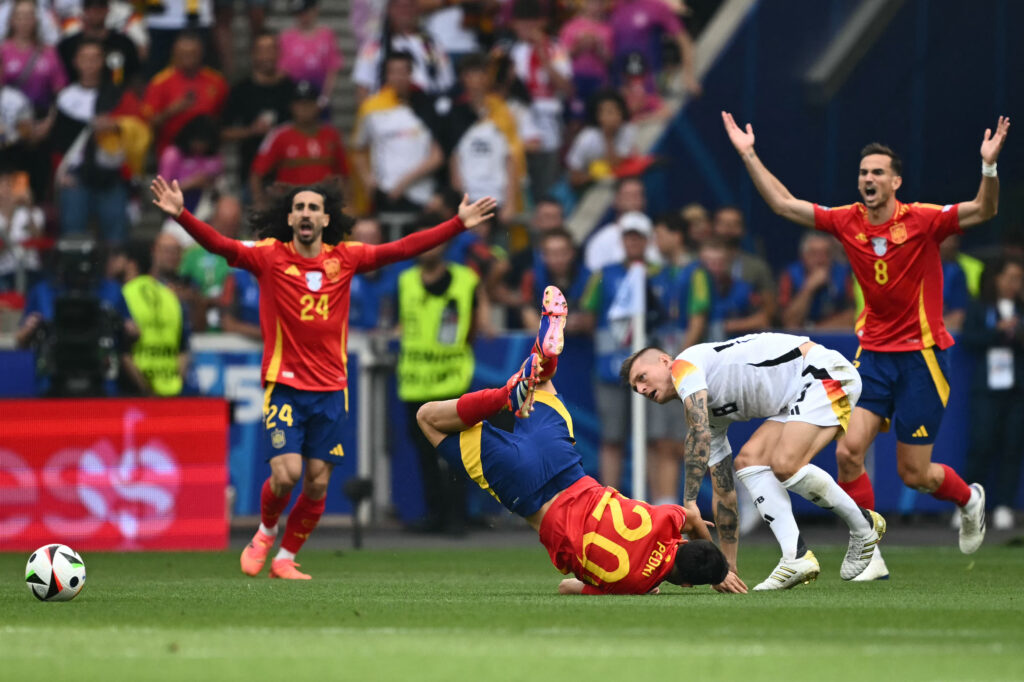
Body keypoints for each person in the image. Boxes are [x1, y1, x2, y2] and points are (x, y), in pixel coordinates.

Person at [150, 175, 496, 579]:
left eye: (314, 207)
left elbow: (402, 248)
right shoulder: (269, 256)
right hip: (285, 384)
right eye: (299, 207)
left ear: (326, 217)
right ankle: (265, 533)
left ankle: (285, 558)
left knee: (316, 485)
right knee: (287, 473)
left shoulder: (345, 258)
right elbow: (221, 245)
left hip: (332, 390)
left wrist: (457, 224)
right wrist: (183, 216)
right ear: (290, 217)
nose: (306, 213)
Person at [721, 110, 1010, 572]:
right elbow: (784, 204)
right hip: (871, 356)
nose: (868, 178)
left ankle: (967, 496)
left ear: (895, 182)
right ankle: (870, 552)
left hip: (922, 359)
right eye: (863, 172)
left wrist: (989, 167)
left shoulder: (923, 221)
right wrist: (748, 153)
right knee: (848, 452)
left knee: (915, 474)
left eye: (878, 172)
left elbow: (984, 209)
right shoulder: (846, 221)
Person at [416, 285, 740, 594]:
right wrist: (649, 585)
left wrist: (721, 566)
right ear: (685, 584)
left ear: (682, 542)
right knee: (428, 419)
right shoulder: (631, 585)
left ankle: (507, 393)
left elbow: (694, 517)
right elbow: (566, 587)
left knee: (539, 379)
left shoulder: (665, 522)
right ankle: (505, 395)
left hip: (563, 462)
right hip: (526, 489)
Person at [622, 333, 887, 589]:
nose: (642, 389)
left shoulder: (684, 365)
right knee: (749, 461)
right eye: (636, 387)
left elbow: (698, 431)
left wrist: (690, 501)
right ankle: (795, 557)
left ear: (665, 361)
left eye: (642, 377)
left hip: (821, 372)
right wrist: (727, 568)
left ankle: (863, 526)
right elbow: (724, 493)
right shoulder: (704, 408)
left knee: (786, 464)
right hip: (795, 397)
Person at [397, 215, 488, 534]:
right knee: (424, 453)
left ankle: (458, 514)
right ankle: (436, 514)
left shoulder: (466, 279)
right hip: (415, 382)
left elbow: (476, 325)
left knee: (455, 451)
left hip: (452, 380)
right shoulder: (405, 281)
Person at [960, 257, 1024, 531]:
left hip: (1016, 389)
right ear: (996, 278)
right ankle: (968, 506)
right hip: (987, 388)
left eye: (1019, 279)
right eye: (1010, 277)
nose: (1015, 284)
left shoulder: (1021, 307)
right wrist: (996, 332)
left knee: (1012, 446)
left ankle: (1004, 506)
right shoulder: (979, 307)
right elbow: (968, 338)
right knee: (981, 445)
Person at [350, 50, 443, 215]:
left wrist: (404, 183)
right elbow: (357, 148)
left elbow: (437, 155)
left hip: (421, 196)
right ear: (386, 75)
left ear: (411, 74)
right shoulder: (371, 107)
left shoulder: (427, 107)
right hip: (385, 194)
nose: (398, 77)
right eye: (393, 72)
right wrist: (368, 180)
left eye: (403, 71)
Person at [249, 80, 348, 209]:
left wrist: (345, 203)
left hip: (325, 207)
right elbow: (257, 174)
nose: (304, 108)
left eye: (309, 103)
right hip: (289, 207)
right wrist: (260, 202)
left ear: (317, 106)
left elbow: (344, 176)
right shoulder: (279, 135)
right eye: (300, 104)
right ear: (292, 106)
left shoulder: (332, 135)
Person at [221, 31, 295, 195]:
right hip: (250, 173)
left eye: (271, 49)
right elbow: (223, 132)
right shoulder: (240, 90)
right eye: (261, 50)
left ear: (279, 53)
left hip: (288, 177)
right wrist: (251, 131)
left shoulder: (291, 88)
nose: (267, 56)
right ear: (253, 54)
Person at [121, 236, 192, 396]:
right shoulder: (172, 296)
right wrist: (176, 384)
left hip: (138, 391)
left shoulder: (125, 294)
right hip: (170, 389)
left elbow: (123, 352)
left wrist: (146, 390)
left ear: (131, 266)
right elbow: (183, 350)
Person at [142, 31, 228, 155]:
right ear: (174, 53)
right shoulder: (159, 83)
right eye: (183, 54)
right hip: (170, 156)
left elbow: (223, 119)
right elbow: (147, 124)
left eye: (192, 53)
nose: (188, 58)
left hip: (207, 157)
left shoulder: (217, 82)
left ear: (201, 53)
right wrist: (171, 111)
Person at [778, 231, 855, 330]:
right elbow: (788, 322)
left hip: (836, 338)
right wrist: (809, 288)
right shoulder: (790, 274)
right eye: (814, 254)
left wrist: (814, 330)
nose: (821, 260)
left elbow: (852, 317)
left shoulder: (844, 274)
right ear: (804, 256)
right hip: (800, 340)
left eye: (826, 253)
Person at [276, 0, 341, 110]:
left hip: (319, 90)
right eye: (298, 13)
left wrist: (325, 97)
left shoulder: (326, 35)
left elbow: (332, 69)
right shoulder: (286, 38)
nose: (303, 17)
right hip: (293, 93)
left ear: (315, 10)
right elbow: (281, 71)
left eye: (306, 12)